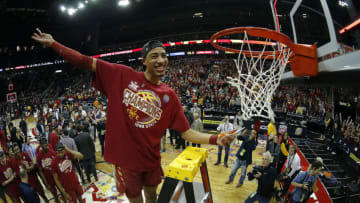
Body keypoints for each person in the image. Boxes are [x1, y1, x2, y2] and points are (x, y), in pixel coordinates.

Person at [32, 31, 237, 203]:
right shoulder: (122, 74)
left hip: (151, 159)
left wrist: (215, 139)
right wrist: (54, 44)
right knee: (135, 200)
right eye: (155, 56)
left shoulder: (170, 96)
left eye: (164, 55)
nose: (161, 60)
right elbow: (84, 61)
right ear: (144, 61)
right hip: (127, 161)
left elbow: (187, 133)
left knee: (152, 195)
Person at [36, 137, 60, 203]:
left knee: (61, 191)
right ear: (40, 145)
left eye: (45, 143)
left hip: (56, 177)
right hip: (48, 179)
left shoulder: (52, 152)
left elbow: (58, 165)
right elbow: (40, 171)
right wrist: (46, 183)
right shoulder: (39, 156)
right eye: (42, 144)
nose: (44, 145)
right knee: (55, 195)